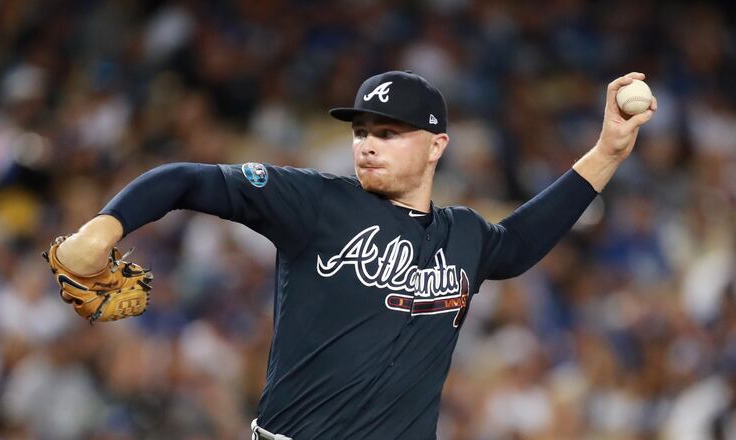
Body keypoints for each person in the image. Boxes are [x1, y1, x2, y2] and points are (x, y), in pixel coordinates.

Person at [48, 70, 656, 439]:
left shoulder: (465, 235)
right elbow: (185, 178)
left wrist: (606, 152)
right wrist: (102, 230)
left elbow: (520, 244)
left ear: (437, 144)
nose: (367, 145)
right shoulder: (315, 203)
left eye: (388, 133)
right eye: (361, 131)